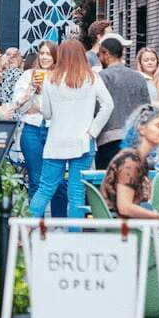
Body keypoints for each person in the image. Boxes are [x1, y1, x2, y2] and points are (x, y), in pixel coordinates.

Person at [27, 39, 112, 219]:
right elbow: (108, 105)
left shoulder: (51, 80)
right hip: (83, 141)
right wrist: (92, 131)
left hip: (56, 142)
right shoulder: (92, 78)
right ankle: (74, 238)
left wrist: (38, 94)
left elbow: (47, 114)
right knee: (76, 195)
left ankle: (24, 230)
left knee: (44, 189)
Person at [11, 42, 66, 217]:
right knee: (35, 179)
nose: (44, 57)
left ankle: (59, 223)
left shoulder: (62, 77)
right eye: (42, 53)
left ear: (56, 57)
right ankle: (34, 226)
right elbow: (20, 106)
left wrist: (44, 97)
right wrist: (33, 89)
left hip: (55, 132)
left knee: (57, 181)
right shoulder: (28, 76)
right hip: (32, 130)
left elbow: (63, 107)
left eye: (49, 54)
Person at [99, 104, 159, 221]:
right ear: (142, 128)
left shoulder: (138, 159)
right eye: (158, 125)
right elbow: (124, 207)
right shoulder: (130, 162)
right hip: (122, 228)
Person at [95, 37, 152, 170]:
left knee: (108, 183)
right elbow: (147, 109)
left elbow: (97, 109)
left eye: (100, 54)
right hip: (134, 139)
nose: (99, 58)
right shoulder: (139, 77)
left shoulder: (103, 77)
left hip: (108, 139)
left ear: (106, 54)